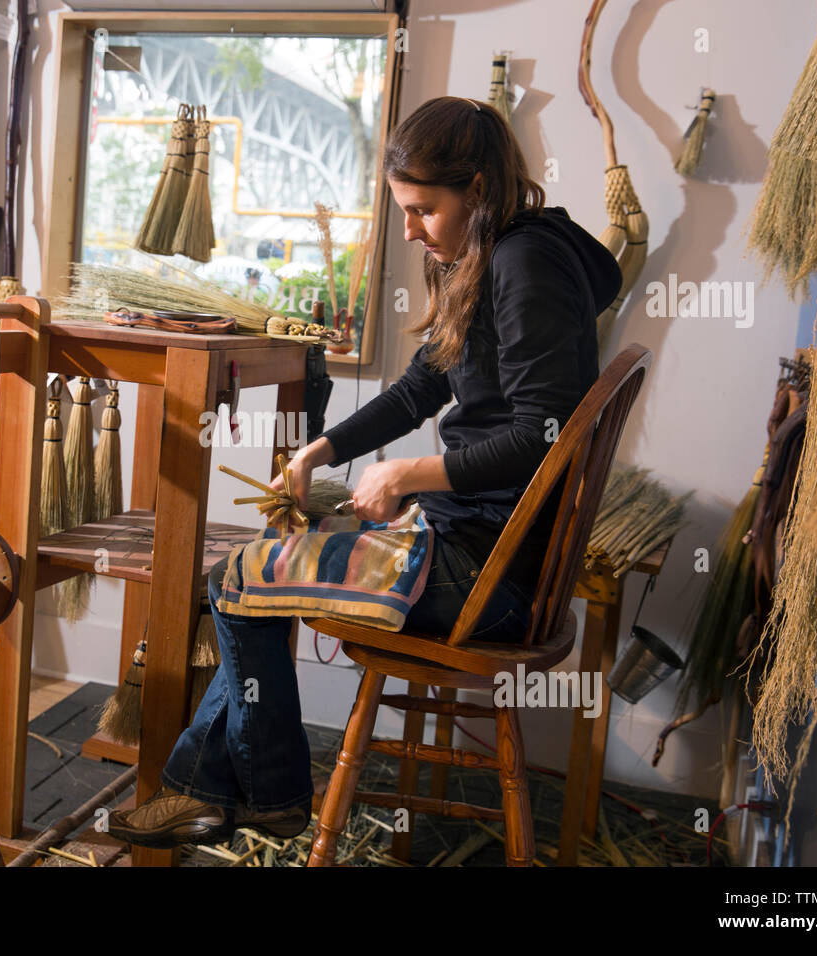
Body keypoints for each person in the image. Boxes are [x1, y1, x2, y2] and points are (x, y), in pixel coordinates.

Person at [108, 96, 622, 850]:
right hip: (478, 548)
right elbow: (423, 385)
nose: (410, 229)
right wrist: (325, 451)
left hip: (487, 577)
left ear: (478, 191)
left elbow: (541, 437)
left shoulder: (524, 263)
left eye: (423, 210)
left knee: (235, 582)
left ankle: (267, 792)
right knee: (252, 577)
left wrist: (409, 474)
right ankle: (209, 789)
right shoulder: (498, 253)